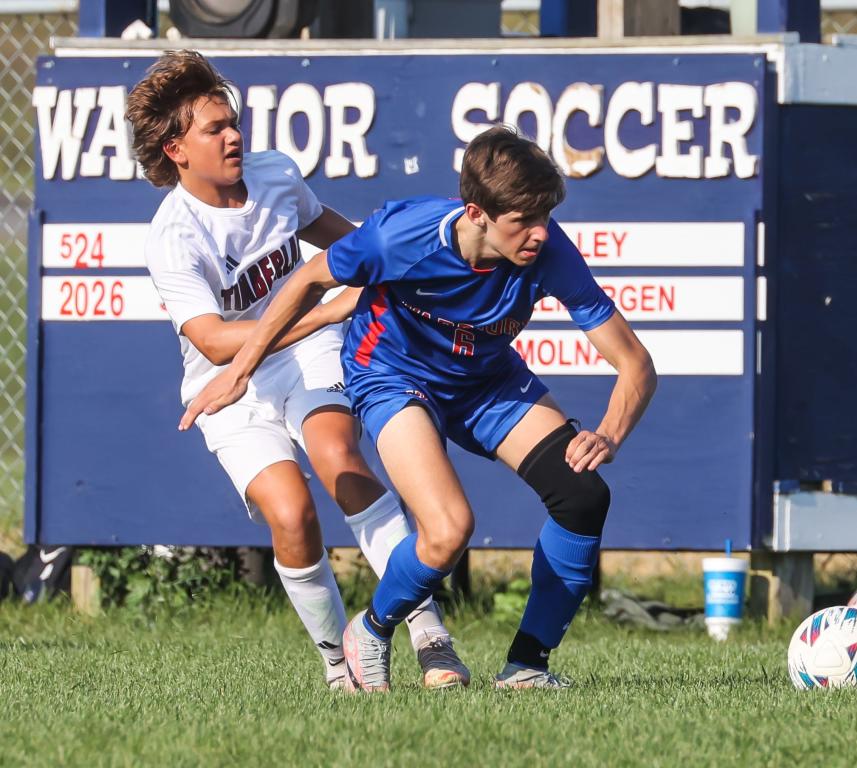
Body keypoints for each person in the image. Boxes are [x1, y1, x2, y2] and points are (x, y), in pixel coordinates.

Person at [182, 125, 658, 692]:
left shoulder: (549, 250)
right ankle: (372, 630)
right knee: (450, 529)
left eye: (545, 217)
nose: (539, 234)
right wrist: (240, 369)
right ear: (476, 212)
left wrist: (607, 433)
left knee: (583, 496)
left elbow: (636, 364)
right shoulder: (399, 236)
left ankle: (526, 666)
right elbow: (309, 279)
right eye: (523, 222)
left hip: (483, 380)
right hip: (392, 376)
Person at [126, 50, 469, 690]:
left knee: (339, 456)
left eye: (234, 122)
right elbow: (215, 341)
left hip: (304, 355)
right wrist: (319, 311)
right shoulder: (172, 235)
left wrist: (405, 262)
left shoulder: (276, 174)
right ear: (175, 149)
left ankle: (428, 634)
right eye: (214, 129)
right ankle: (341, 668)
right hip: (225, 383)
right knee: (292, 515)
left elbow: (344, 240)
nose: (233, 136)